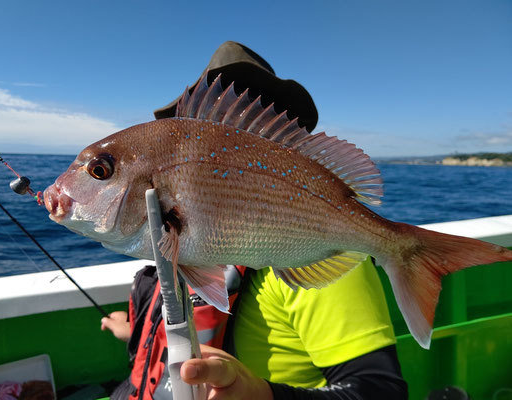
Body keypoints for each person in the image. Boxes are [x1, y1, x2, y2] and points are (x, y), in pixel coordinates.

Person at [101, 41, 408, 400]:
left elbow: (380, 392)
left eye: (258, 121)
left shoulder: (324, 255)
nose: (225, 148)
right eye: (201, 132)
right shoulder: (186, 243)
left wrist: (262, 395)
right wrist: (137, 330)